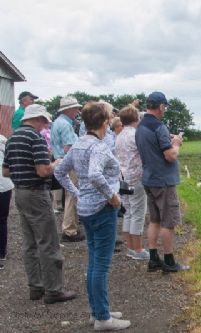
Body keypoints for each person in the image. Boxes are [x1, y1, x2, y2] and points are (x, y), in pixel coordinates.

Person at [55, 101, 131, 331]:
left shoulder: (79, 144)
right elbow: (95, 174)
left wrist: (78, 193)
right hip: (102, 210)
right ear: (105, 122)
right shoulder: (99, 146)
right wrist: (113, 198)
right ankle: (102, 319)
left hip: (86, 210)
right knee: (101, 265)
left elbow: (59, 171)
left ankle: (98, 310)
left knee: (94, 262)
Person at [2, 104, 76, 304]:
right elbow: (43, 171)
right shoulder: (36, 138)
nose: (45, 125)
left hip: (20, 192)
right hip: (36, 192)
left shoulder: (13, 138)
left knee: (29, 242)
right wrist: (56, 164)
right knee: (48, 241)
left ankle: (35, 286)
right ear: (37, 119)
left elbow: (5, 171)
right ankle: (54, 289)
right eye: (44, 121)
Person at [136, 91, 189, 273]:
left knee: (155, 220)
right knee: (168, 222)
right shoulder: (159, 127)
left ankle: (153, 258)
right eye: (164, 107)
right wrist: (176, 143)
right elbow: (170, 156)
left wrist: (169, 139)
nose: (165, 110)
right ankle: (169, 260)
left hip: (149, 179)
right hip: (163, 181)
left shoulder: (141, 126)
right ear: (160, 106)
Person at [116, 105, 148, 260]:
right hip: (136, 178)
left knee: (128, 212)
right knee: (138, 213)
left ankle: (130, 247)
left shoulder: (120, 135)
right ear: (136, 118)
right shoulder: (135, 135)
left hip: (122, 178)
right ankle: (138, 249)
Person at [52, 96, 85, 242]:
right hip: (69, 163)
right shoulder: (66, 125)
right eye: (76, 108)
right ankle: (70, 230)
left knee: (69, 195)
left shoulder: (58, 122)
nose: (78, 111)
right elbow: (68, 148)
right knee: (72, 195)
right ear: (69, 109)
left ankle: (71, 226)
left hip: (60, 161)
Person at [0, 135, 14, 270]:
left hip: (3, 183)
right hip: (4, 184)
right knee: (2, 219)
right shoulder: (4, 140)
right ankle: (1, 252)